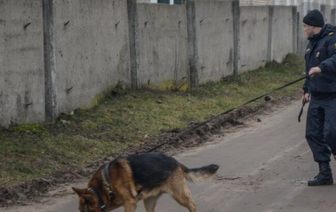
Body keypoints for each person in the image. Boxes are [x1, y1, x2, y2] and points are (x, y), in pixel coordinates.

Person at [302, 9, 336, 186]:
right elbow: (309, 68)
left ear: (313, 26)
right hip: (317, 95)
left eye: (305, 26)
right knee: (313, 134)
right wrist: (306, 89)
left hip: (333, 94)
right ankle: (325, 173)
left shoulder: (332, 38)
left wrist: (322, 67)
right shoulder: (311, 43)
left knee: (332, 132)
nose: (304, 29)